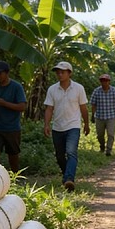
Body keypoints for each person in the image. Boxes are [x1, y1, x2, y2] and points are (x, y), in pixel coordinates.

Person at [43, 61, 90, 191]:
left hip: (73, 126)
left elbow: (83, 108)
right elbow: (49, 109)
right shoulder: (52, 89)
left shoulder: (78, 88)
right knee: (59, 155)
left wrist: (86, 123)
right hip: (57, 126)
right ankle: (66, 176)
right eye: (58, 72)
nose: (59, 74)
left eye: (62, 72)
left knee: (71, 152)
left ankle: (69, 179)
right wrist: (46, 124)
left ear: (69, 73)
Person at [0, 60, 27, 171]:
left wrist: (3, 103)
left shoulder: (16, 87)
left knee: (13, 156)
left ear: (6, 73)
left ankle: (15, 176)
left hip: (12, 128)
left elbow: (22, 107)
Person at [89, 73, 115, 155]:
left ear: (109, 82)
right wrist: (92, 115)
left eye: (106, 81)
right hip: (99, 117)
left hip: (111, 117)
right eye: (102, 81)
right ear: (100, 82)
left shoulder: (114, 91)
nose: (104, 82)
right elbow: (93, 104)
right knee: (100, 135)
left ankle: (109, 150)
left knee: (110, 134)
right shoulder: (96, 91)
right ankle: (102, 146)